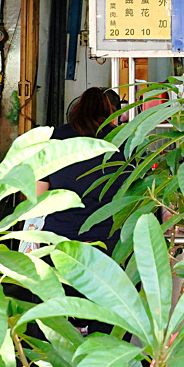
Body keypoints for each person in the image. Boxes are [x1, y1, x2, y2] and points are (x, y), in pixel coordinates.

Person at [34, 87, 127, 247]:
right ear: (113, 114)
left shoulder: (53, 138)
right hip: (112, 242)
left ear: (77, 109)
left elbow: (37, 197)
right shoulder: (127, 141)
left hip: (60, 240)